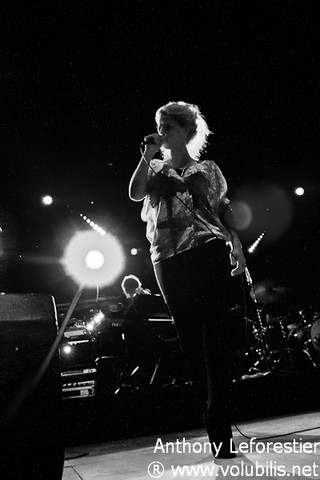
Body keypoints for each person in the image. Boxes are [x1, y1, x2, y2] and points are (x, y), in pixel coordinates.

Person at [128, 100, 246, 458]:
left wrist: (237, 246)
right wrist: (147, 154)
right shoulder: (154, 168)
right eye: (158, 125)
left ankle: (219, 420)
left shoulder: (208, 169)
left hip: (207, 249)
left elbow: (222, 212)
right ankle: (212, 407)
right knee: (191, 341)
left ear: (186, 131)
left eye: (168, 126)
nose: (161, 131)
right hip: (169, 258)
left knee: (217, 339)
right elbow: (135, 193)